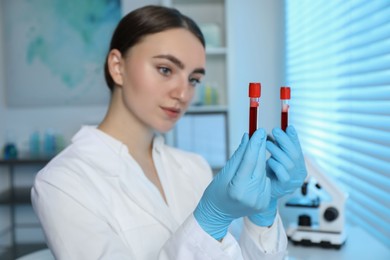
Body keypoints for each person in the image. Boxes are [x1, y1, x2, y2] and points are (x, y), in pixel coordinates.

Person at [31, 5, 307, 260]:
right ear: (118, 67)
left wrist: (263, 215)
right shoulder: (62, 183)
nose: (183, 93)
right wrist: (211, 219)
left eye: (194, 79)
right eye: (165, 69)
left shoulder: (193, 166)